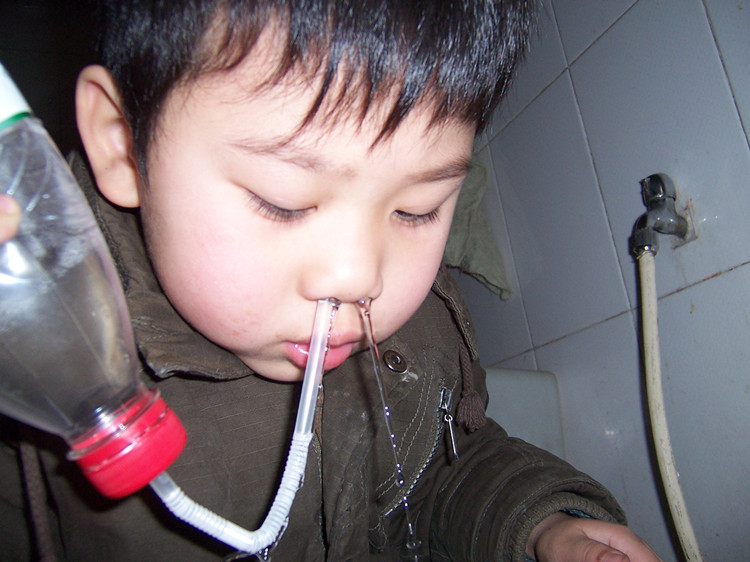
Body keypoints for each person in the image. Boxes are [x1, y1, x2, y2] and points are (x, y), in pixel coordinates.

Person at [0, 1, 662, 560]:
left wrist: (541, 525)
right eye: (284, 202)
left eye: (416, 210)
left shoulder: (413, 342)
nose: (359, 277)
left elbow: (438, 476)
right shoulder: (41, 371)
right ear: (122, 145)